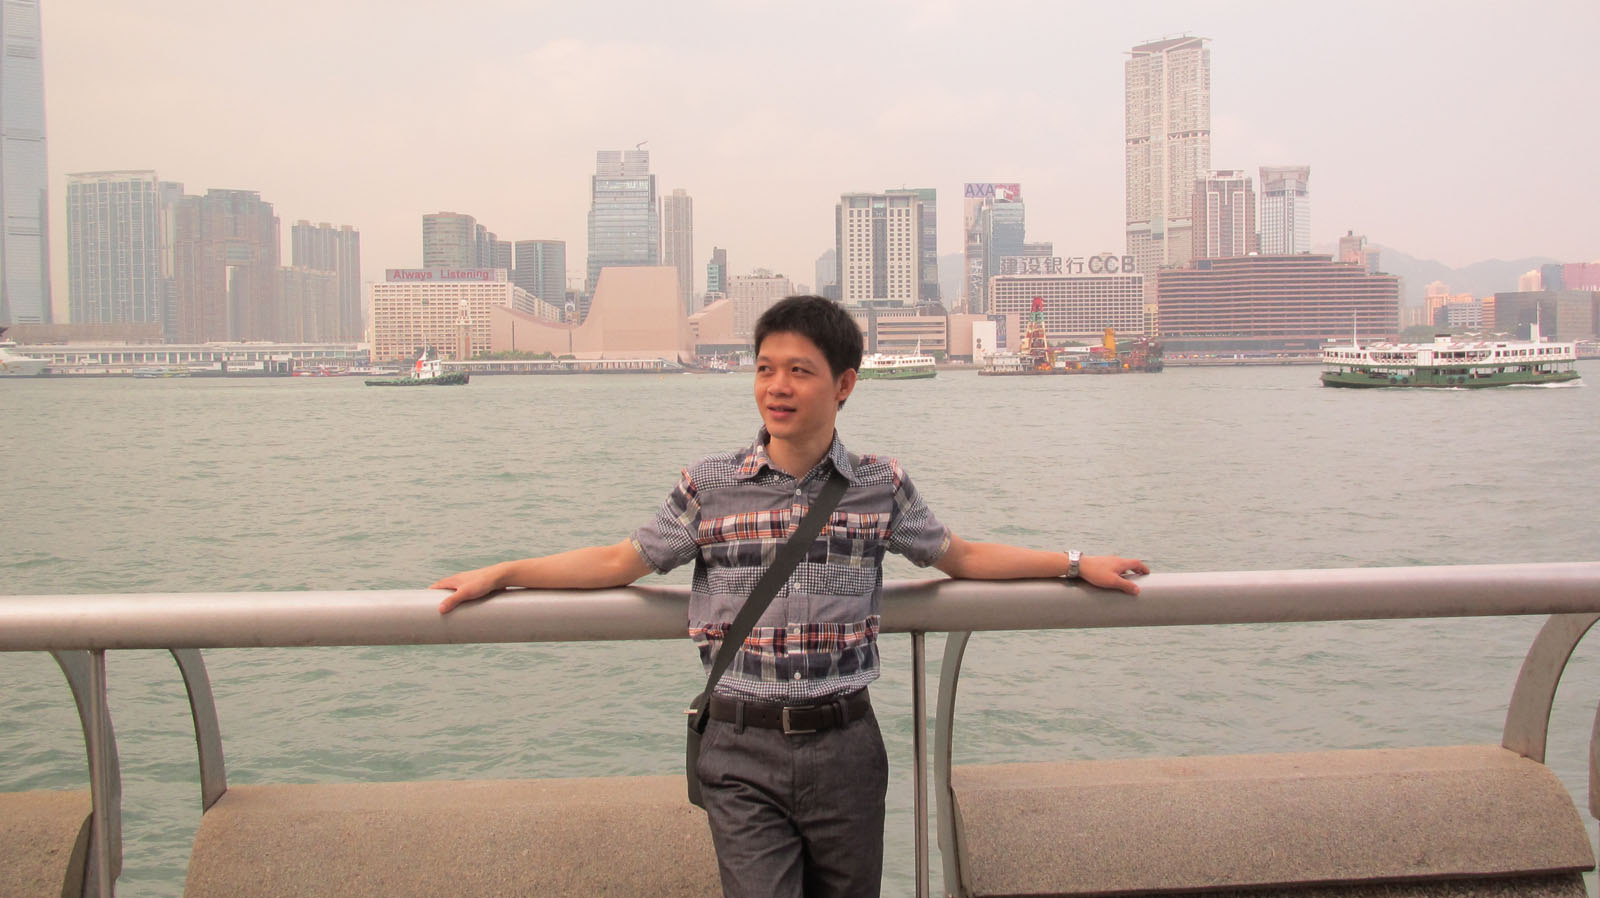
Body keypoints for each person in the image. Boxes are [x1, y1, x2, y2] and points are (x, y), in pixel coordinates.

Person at [431, 295, 1148, 898]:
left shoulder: (879, 484)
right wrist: (504, 572)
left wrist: (1074, 564)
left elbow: (960, 556)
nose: (777, 386)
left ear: (844, 385)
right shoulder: (710, 485)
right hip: (739, 747)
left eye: (799, 371)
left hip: (846, 746)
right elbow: (622, 561)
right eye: (765, 368)